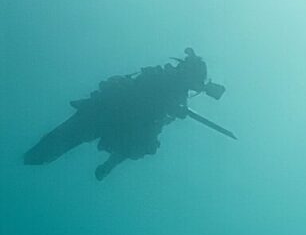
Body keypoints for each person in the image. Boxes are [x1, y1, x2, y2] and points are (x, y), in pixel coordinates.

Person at [24, 48, 223, 180]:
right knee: (54, 144)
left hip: (112, 121)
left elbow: (147, 134)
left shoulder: (175, 93)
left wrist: (109, 165)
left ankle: (31, 161)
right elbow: (144, 104)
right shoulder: (164, 81)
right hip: (104, 113)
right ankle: (30, 160)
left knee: (56, 143)